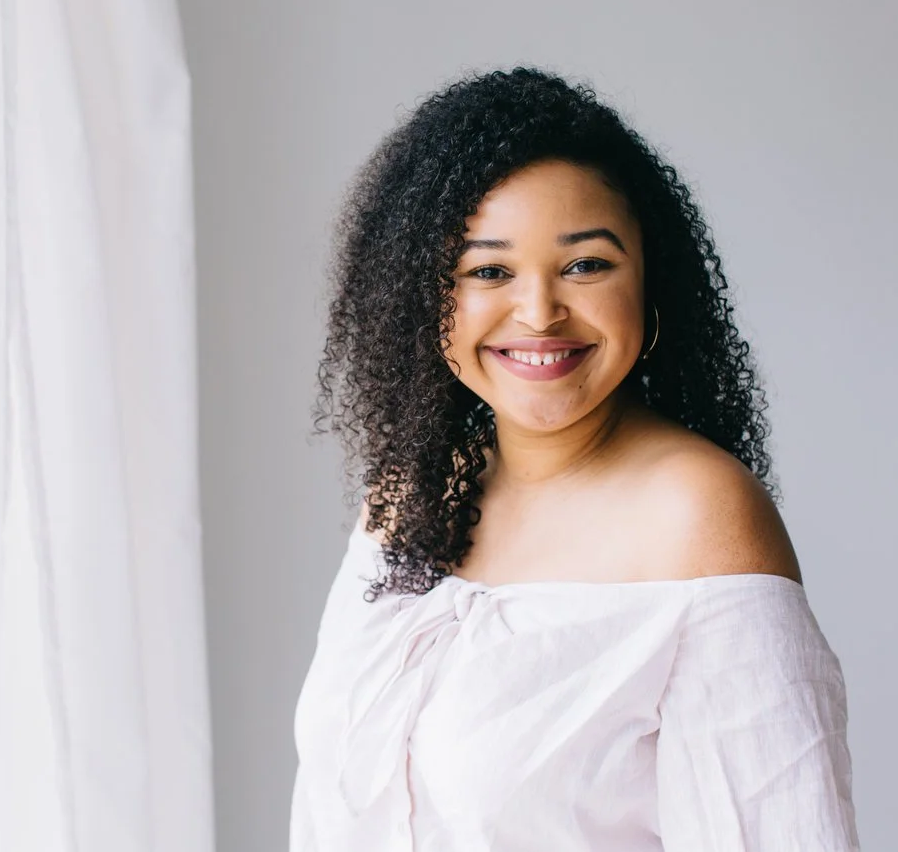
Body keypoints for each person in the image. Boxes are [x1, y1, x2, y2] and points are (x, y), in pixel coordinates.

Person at [291, 67, 861, 850]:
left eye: (586, 265)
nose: (538, 312)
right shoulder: (408, 495)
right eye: (488, 270)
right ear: (425, 297)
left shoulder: (698, 517)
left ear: (650, 284)